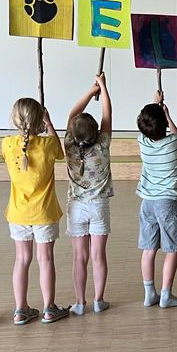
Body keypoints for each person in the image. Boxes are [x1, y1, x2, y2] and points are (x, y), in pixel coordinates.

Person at [3, 98, 69, 324]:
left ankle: (20, 310)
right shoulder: (47, 145)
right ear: (39, 119)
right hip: (44, 213)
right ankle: (49, 308)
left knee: (21, 260)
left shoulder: (7, 144)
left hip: (18, 213)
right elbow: (60, 152)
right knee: (46, 259)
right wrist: (49, 124)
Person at [65, 73, 113, 315]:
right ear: (96, 133)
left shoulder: (69, 145)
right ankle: (98, 300)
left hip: (76, 207)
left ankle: (80, 302)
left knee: (79, 257)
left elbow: (72, 115)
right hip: (99, 206)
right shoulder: (103, 144)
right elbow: (107, 114)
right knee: (98, 256)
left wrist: (89, 91)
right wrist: (103, 87)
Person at [137, 91, 177, 309]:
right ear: (164, 123)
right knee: (172, 248)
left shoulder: (142, 142)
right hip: (168, 202)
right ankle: (166, 294)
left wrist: (156, 104)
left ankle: (149, 292)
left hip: (147, 201)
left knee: (149, 249)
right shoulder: (173, 143)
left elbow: (148, 125)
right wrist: (167, 115)